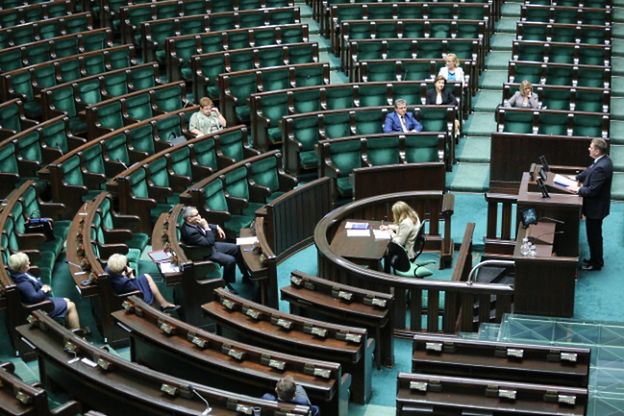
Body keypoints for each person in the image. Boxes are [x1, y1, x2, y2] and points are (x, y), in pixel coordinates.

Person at [180, 206, 250, 293]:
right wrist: (206, 227)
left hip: (209, 247)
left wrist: (216, 226)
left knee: (236, 248)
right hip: (205, 253)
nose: (200, 216)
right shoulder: (190, 232)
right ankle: (225, 284)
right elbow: (210, 242)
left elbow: (202, 227)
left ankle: (245, 276)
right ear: (189, 219)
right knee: (230, 260)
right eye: (197, 215)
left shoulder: (192, 223)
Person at [8, 252, 82, 330]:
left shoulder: (20, 274)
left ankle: (70, 328)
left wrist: (42, 286)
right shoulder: (23, 283)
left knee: (67, 300)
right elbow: (34, 297)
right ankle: (78, 334)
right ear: (21, 267)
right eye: (27, 263)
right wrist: (44, 290)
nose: (29, 263)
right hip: (40, 307)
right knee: (71, 305)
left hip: (42, 300)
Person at [575, 138, 613, 271]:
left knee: (594, 236)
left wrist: (577, 190)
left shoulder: (602, 167)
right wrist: (576, 178)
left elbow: (592, 191)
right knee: (594, 235)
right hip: (597, 206)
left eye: (591, 147)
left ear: (597, 151)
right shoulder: (602, 161)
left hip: (596, 208)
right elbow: (589, 171)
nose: (589, 149)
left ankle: (596, 263)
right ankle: (594, 259)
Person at [105, 254, 179, 313]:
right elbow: (136, 291)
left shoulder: (108, 269)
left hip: (123, 288)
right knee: (147, 280)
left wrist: (124, 276)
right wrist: (131, 276)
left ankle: (163, 303)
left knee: (146, 276)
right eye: (125, 266)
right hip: (138, 296)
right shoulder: (124, 282)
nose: (126, 266)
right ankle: (161, 305)